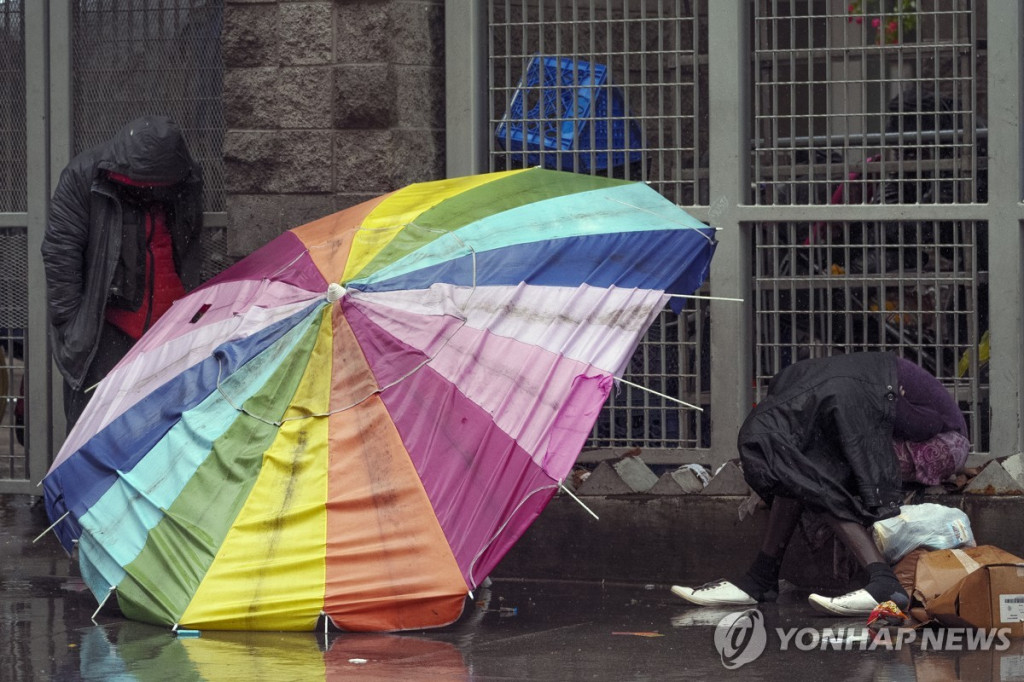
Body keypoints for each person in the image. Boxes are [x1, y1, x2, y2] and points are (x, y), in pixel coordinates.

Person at [671, 352, 969, 616]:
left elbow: (927, 424)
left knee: (815, 469)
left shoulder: (851, 387)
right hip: (901, 425)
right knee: (800, 467)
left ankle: (884, 583)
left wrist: (895, 403)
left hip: (945, 442)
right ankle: (762, 577)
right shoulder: (809, 388)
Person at [42, 115, 204, 432]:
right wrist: (73, 331)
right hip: (108, 335)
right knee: (98, 441)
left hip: (171, 332)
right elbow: (61, 253)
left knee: (164, 439)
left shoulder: (185, 177)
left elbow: (191, 244)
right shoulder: (84, 176)